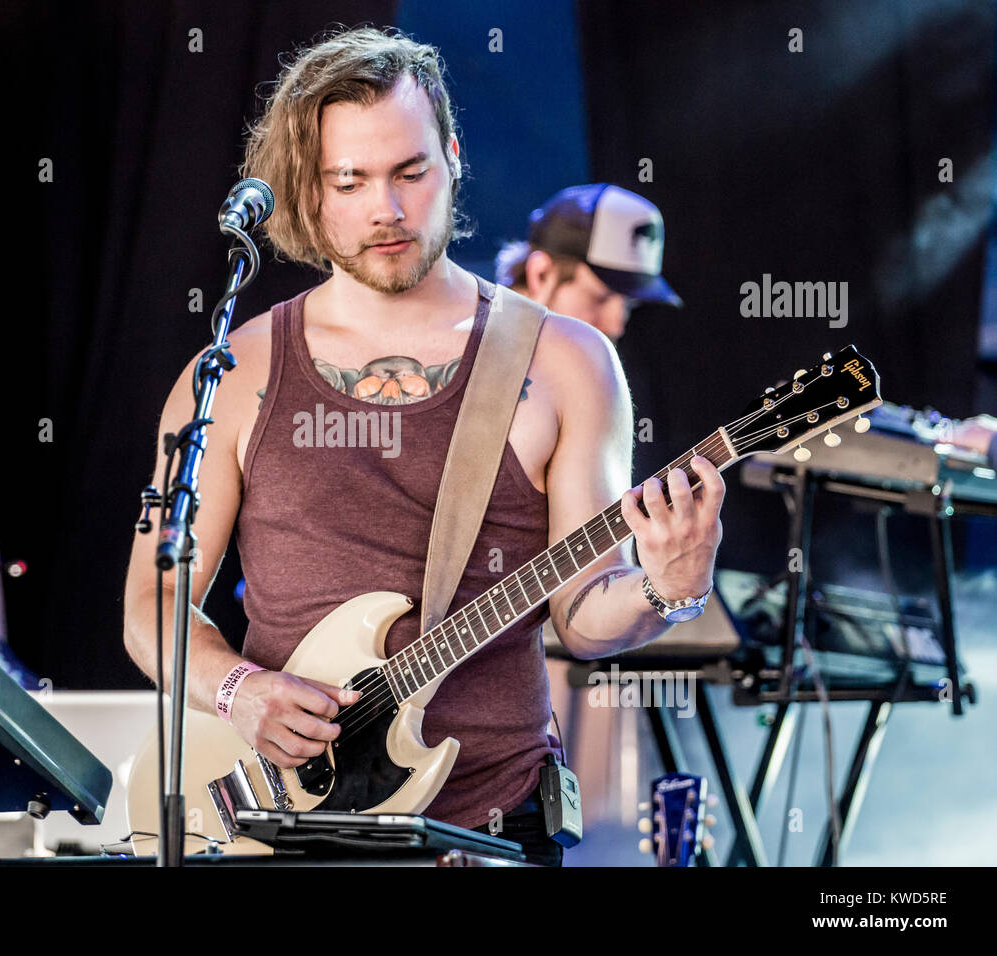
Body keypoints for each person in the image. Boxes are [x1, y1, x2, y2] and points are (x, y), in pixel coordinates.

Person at [121, 26, 725, 867]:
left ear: (450, 157)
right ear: (311, 187)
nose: (388, 210)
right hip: (279, 826)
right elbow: (151, 609)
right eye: (351, 180)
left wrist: (670, 587)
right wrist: (240, 689)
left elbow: (583, 619)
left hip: (488, 829)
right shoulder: (235, 370)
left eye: (411, 172)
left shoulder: (565, 360)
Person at [496, 183, 682, 341]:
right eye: (600, 299)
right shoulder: (474, 361)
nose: (616, 327)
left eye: (628, 304)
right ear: (540, 274)